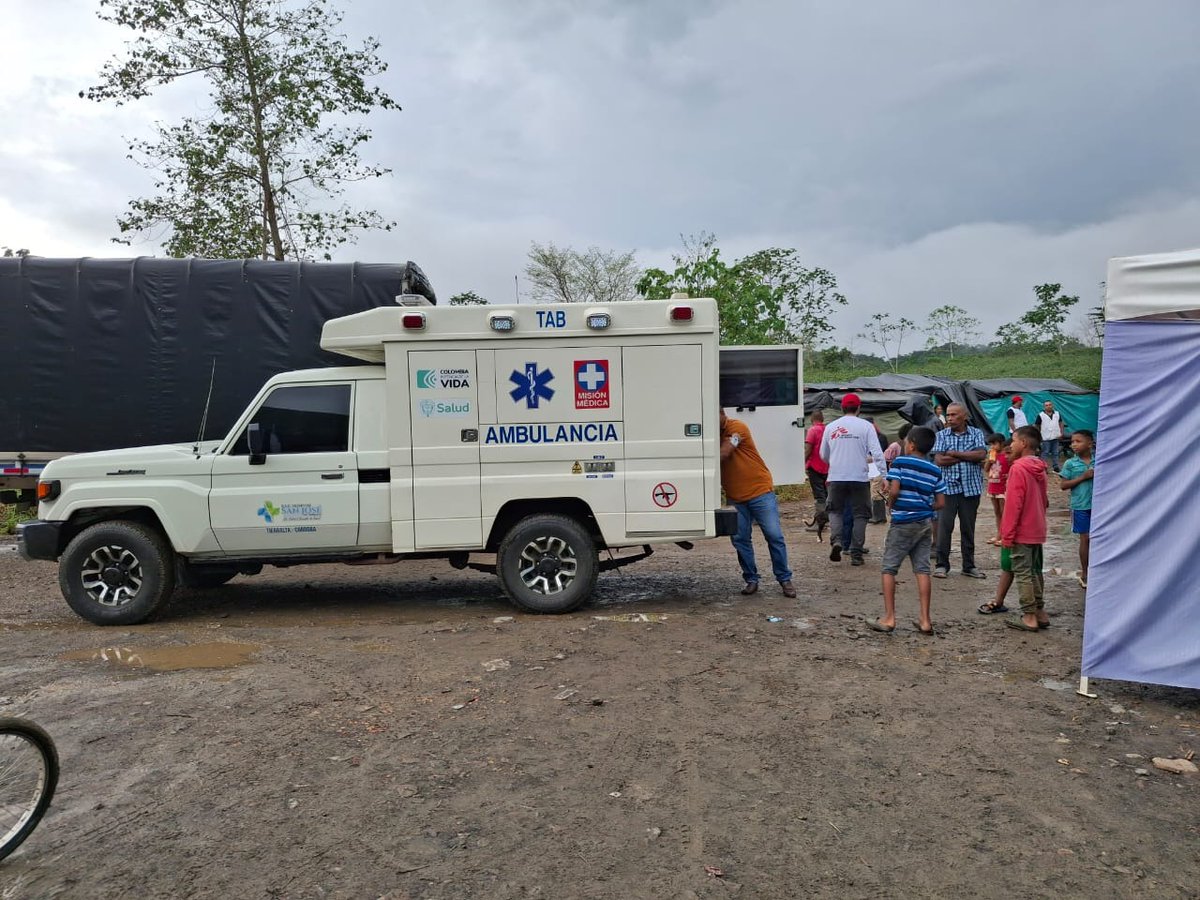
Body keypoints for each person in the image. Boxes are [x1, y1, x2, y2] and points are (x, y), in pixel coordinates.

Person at [869, 426, 945, 635]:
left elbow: (894, 489)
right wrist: (924, 507)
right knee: (922, 569)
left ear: (910, 444)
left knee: (889, 568)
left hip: (902, 523)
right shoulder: (935, 469)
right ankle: (925, 620)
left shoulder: (901, 462)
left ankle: (889, 618)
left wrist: (891, 504)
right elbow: (940, 502)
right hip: (924, 524)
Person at [719, 409, 796, 598]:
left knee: (774, 535)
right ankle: (751, 579)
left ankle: (784, 579)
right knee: (740, 540)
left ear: (722, 415)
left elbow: (726, 451)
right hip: (735, 497)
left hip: (760, 491)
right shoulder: (712, 434)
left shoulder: (737, 428)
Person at [820, 393, 885, 566]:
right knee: (860, 515)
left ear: (841, 408)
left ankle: (837, 542)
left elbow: (823, 454)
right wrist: (885, 476)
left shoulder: (831, 427)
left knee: (835, 511)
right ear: (859, 408)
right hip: (859, 478)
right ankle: (856, 553)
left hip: (836, 477)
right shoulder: (866, 426)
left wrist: (835, 463)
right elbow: (877, 453)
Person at [1001, 425, 1050, 632]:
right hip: (1037, 528)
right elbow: (1045, 501)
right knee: (1034, 571)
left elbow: (1014, 504)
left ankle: (1029, 616)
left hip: (1022, 530)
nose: (1011, 445)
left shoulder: (1019, 468)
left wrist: (1007, 534)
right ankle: (1040, 612)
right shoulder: (1040, 467)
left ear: (1024, 443)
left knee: (1022, 573)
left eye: (1013, 440)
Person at [931, 403, 988, 579]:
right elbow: (940, 460)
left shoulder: (976, 433)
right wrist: (966, 456)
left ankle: (969, 566)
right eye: (948, 415)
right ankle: (942, 565)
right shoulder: (941, 435)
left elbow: (981, 455)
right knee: (944, 528)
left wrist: (954, 453)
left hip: (971, 489)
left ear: (965, 416)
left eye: (954, 415)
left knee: (968, 529)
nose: (950, 418)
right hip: (947, 490)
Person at [1058, 429, 1095, 590]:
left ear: (1090, 444)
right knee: (1085, 538)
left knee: (1097, 539)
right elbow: (1063, 485)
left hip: (1099, 506)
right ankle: (1085, 573)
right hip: (1080, 506)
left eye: (1078, 441)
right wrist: (1083, 477)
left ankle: (1097, 571)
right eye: (1072, 442)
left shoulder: (1100, 460)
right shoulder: (1070, 464)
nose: (1074, 444)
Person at [804, 410, 830, 538]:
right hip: (827, 466)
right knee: (827, 495)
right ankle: (829, 520)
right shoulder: (828, 430)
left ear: (812, 419)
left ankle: (820, 524)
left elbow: (808, 449)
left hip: (814, 466)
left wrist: (802, 462)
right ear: (823, 418)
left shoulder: (812, 430)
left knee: (819, 497)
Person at [984, 433, 1010, 546]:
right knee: (997, 512)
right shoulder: (991, 455)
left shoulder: (1007, 456)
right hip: (992, 485)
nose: (992, 447)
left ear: (1002, 443)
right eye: (991, 444)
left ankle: (1004, 536)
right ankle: (998, 534)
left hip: (1002, 487)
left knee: (1004, 512)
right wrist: (989, 462)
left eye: (994, 444)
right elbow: (986, 469)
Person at [1036, 401, 1066, 473]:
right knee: (1045, 453)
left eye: (1050, 405)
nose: (1048, 406)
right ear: (1044, 407)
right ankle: (1043, 468)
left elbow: (1061, 423)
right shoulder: (1041, 415)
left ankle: (1056, 467)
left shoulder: (1057, 414)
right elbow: (1037, 425)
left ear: (1052, 405)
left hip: (1055, 436)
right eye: (1046, 405)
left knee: (1055, 452)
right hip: (1045, 437)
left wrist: (1061, 432)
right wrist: (1038, 434)